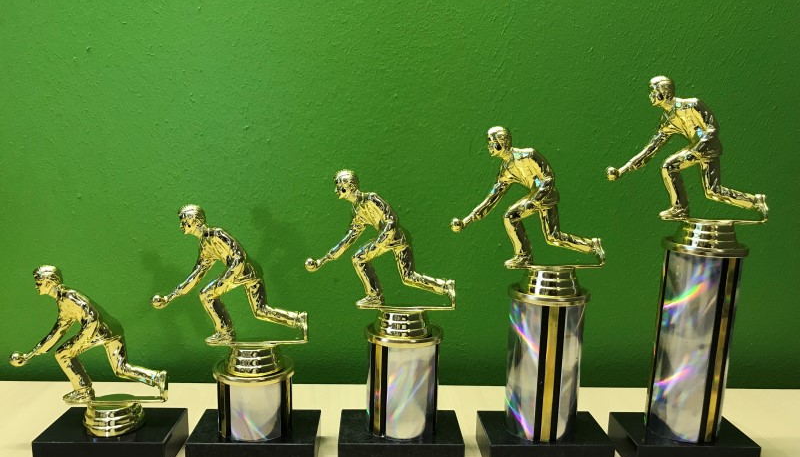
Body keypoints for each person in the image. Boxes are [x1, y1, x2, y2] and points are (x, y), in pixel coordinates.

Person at [606, 76, 768, 220]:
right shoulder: (667, 119)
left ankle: (680, 208)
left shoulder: (692, 104)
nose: (650, 96)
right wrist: (624, 169)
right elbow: (652, 148)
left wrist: (697, 149)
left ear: (665, 92)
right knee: (713, 191)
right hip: (696, 150)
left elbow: (712, 128)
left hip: (708, 147)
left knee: (669, 166)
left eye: (653, 92)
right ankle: (755, 201)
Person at [451, 126, 604, 269]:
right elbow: (493, 195)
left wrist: (534, 200)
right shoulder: (505, 169)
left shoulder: (528, 154)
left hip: (546, 195)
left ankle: (527, 255)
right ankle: (526, 255)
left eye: (492, 142)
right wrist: (470, 218)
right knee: (546, 233)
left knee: (548, 235)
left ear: (502, 142)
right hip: (533, 198)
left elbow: (548, 177)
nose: (489, 146)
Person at [152, 205, 306, 345]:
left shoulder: (216, 234)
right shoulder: (205, 246)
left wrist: (224, 281)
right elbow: (196, 275)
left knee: (209, 295)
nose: (181, 225)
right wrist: (170, 296)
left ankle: (226, 332)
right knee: (260, 310)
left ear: (195, 220)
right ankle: (298, 320)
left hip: (247, 271)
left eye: (184, 221)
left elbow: (239, 257)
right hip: (241, 273)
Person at [10, 266, 167, 403]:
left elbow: (92, 318)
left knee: (63, 354)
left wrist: (79, 344)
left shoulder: (68, 296)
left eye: (38, 282)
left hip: (99, 331)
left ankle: (83, 391)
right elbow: (58, 331)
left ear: (50, 282)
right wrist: (34, 352)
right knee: (121, 369)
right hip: (111, 329)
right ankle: (157, 377)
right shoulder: (63, 301)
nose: (36, 286)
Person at [305, 170, 455, 308]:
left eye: (339, 186)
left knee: (369, 262)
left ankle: (376, 296)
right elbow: (349, 238)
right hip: (386, 240)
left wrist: (379, 242)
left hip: (396, 238)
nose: (336, 190)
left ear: (351, 186)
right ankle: (443, 287)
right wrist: (325, 259)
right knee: (401, 275)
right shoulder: (357, 211)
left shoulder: (371, 198)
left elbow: (392, 220)